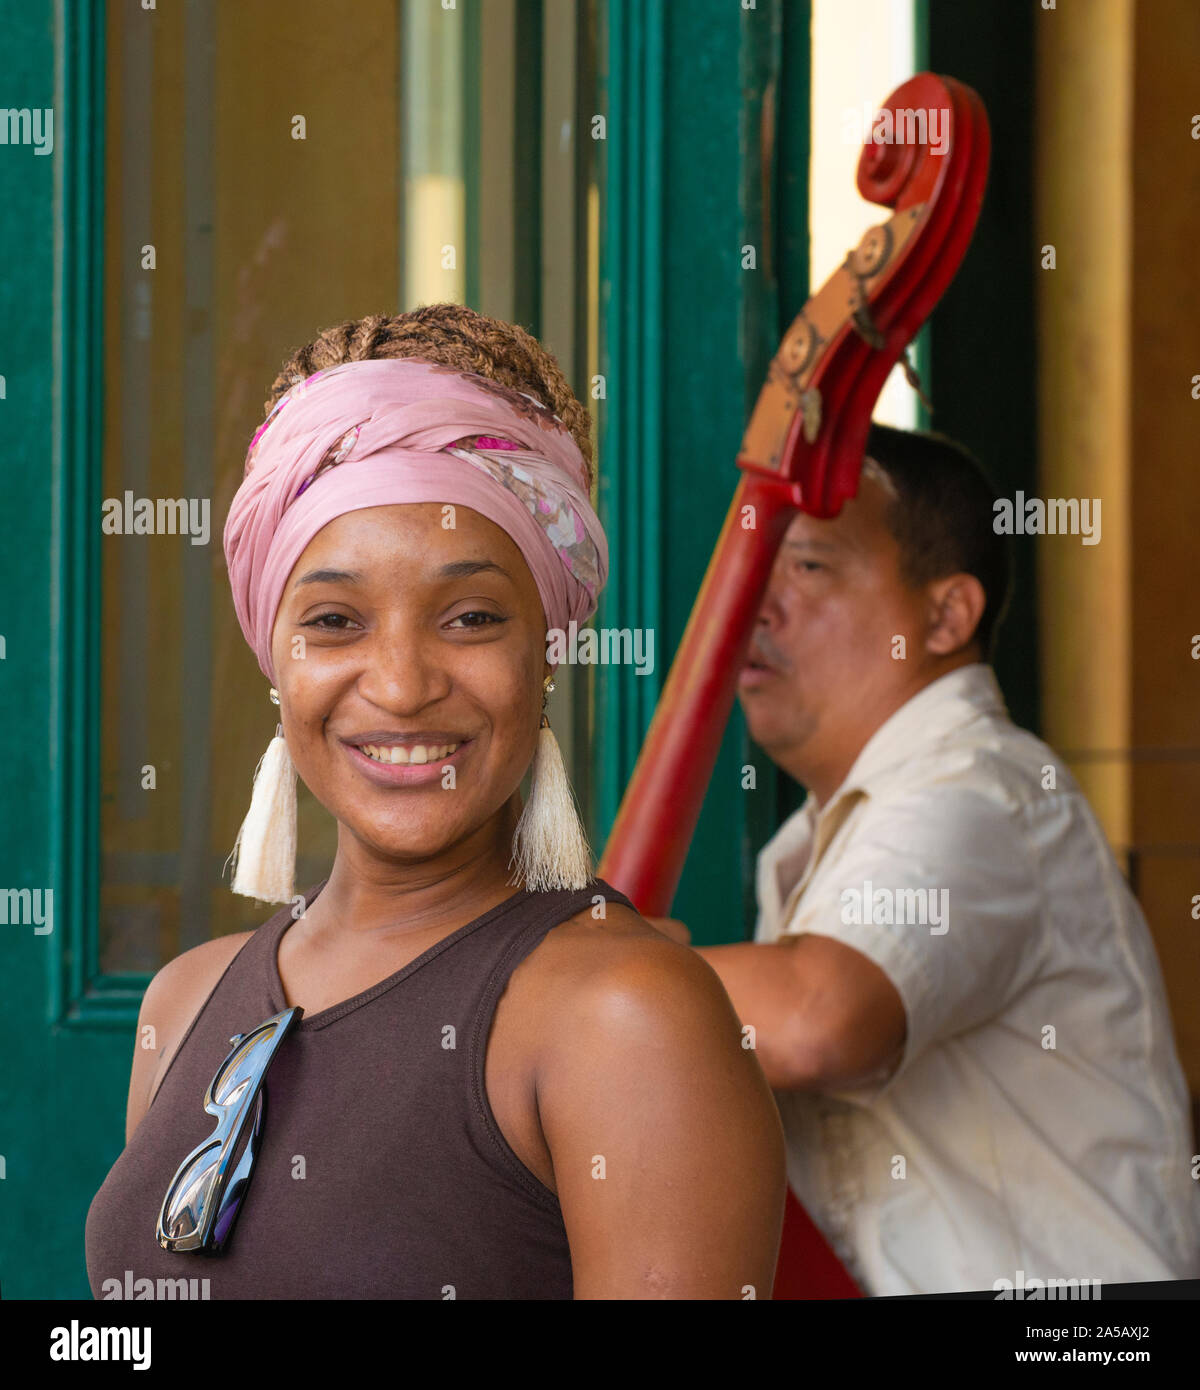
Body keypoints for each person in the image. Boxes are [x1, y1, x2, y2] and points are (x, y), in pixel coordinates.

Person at [85, 306, 786, 1300]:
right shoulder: (184, 1000)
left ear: (543, 654)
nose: (404, 683)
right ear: (275, 659)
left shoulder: (626, 1019)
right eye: (334, 620)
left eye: (470, 617)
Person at [655, 423, 1200, 1295]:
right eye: (763, 567)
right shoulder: (824, 837)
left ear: (945, 616)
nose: (758, 603)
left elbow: (818, 1019)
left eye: (811, 567)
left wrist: (584, 979)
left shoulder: (981, 790)